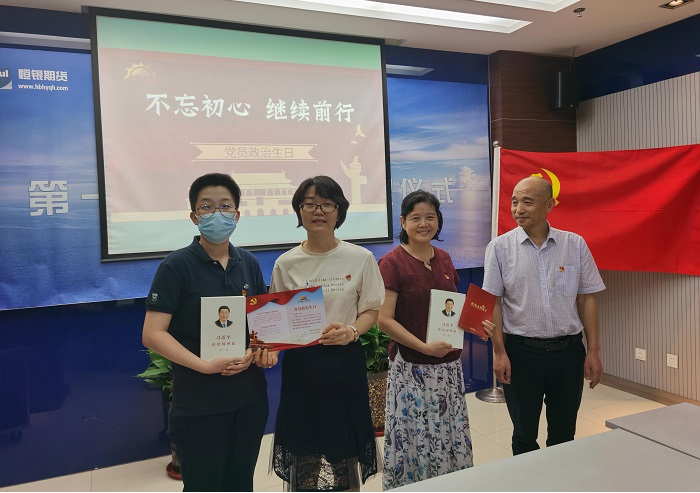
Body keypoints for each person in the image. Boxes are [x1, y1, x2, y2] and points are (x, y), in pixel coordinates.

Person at [142, 173, 269, 491]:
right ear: (194, 216)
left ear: (237, 215)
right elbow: (153, 333)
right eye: (207, 207)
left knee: (241, 483)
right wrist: (204, 365)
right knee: (203, 485)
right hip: (199, 403)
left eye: (225, 206)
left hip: (249, 400)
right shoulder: (175, 266)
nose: (217, 214)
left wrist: (255, 351)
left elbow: (259, 326)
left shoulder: (249, 263)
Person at [262, 175, 385, 491]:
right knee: (304, 447)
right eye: (310, 204)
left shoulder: (360, 258)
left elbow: (371, 310)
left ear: (339, 210)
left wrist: (351, 330)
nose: (319, 211)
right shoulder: (286, 263)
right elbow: (276, 321)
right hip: (302, 367)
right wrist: (269, 348)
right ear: (299, 211)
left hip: (344, 363)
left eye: (327, 204)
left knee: (344, 448)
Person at [377, 190, 495, 490]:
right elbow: (384, 320)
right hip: (412, 368)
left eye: (430, 217)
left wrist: (475, 323)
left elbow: (451, 310)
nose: (423, 224)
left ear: (438, 221)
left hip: (447, 367)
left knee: (447, 429)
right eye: (415, 217)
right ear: (403, 222)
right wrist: (424, 347)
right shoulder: (391, 263)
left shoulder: (444, 258)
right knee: (416, 433)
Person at [482, 176, 605, 456]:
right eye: (514, 202)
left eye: (527, 201)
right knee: (524, 435)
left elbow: (587, 298)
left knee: (564, 432)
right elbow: (493, 303)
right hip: (521, 354)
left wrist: (593, 351)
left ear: (549, 205)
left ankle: (558, 477)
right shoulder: (499, 248)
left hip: (568, 353)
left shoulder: (574, 244)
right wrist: (499, 352)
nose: (518, 209)